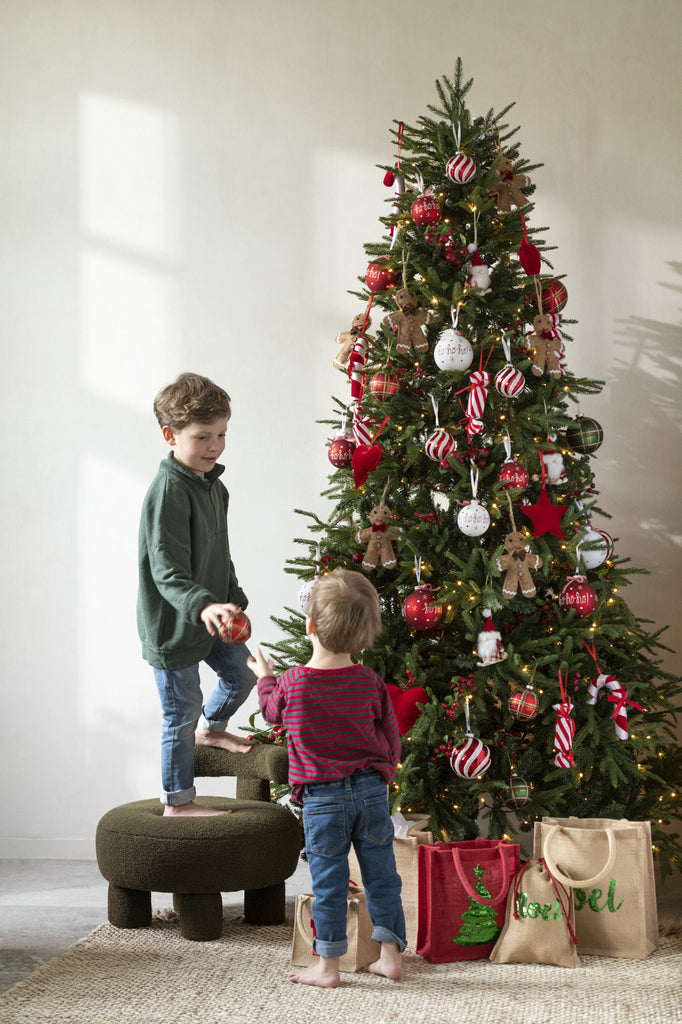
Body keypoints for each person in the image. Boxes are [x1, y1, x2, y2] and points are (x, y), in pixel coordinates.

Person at [248, 568, 406, 987]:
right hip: (371, 792)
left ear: (310, 625)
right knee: (382, 876)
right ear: (366, 634)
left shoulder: (293, 683)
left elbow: (270, 711)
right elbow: (391, 736)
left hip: (322, 801)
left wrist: (264, 675)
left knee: (330, 883)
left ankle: (328, 967)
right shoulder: (370, 681)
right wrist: (385, 771)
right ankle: (390, 957)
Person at [137, 371, 253, 818]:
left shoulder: (214, 487)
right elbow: (166, 570)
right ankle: (177, 802)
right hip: (173, 627)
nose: (215, 446)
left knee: (241, 674)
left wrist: (233, 598)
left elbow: (220, 552)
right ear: (170, 435)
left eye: (221, 434)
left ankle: (215, 729)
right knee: (180, 714)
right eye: (203, 436)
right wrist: (204, 604)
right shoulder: (168, 491)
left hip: (212, 615)